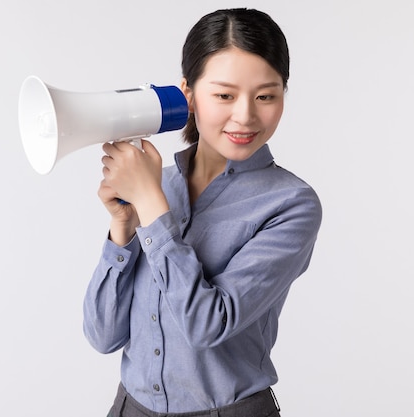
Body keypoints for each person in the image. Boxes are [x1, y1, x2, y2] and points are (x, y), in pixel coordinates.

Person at [83, 8, 322, 417]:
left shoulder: (291, 205)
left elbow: (206, 325)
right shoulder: (161, 185)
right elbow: (103, 335)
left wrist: (151, 206)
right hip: (129, 407)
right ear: (188, 94)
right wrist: (123, 224)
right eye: (224, 95)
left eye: (266, 95)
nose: (245, 115)